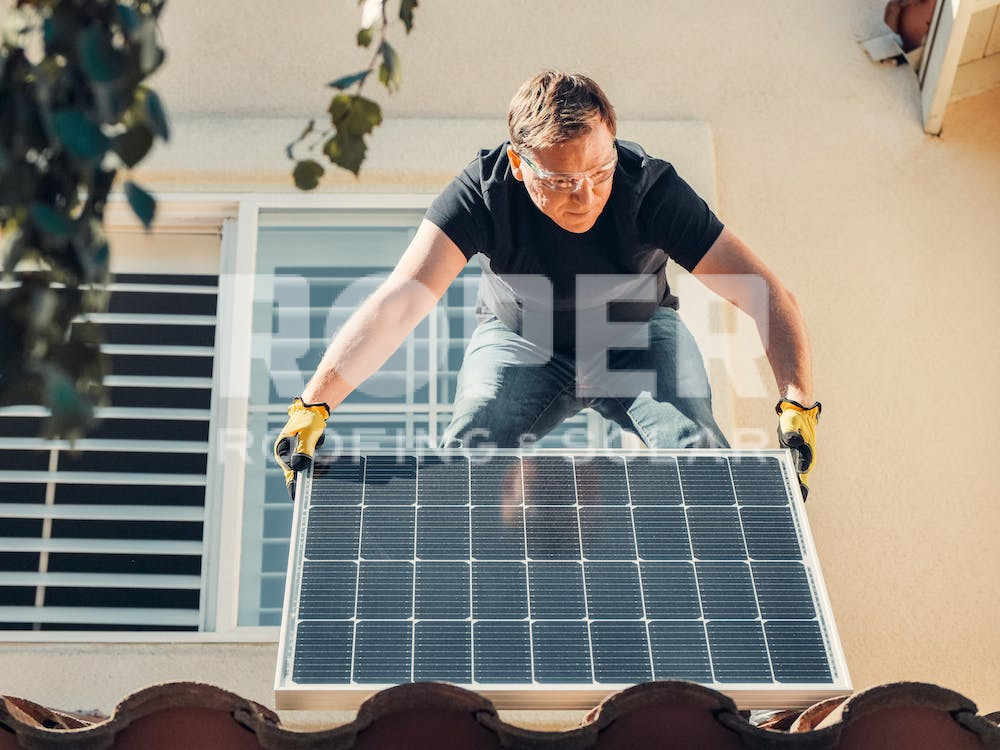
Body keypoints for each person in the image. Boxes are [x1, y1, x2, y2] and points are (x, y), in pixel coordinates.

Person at [275, 70, 821, 499]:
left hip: (635, 334)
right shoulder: (483, 193)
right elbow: (399, 303)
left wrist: (796, 405)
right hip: (520, 338)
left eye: (600, 173)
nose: (584, 197)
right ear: (518, 163)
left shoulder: (652, 190)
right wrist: (314, 406)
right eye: (560, 181)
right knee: (471, 450)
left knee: (697, 448)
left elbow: (767, 294)